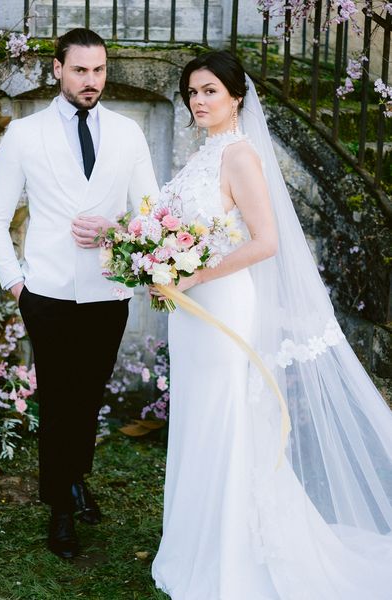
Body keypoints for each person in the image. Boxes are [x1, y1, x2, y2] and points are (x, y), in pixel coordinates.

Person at [151, 50, 392, 599]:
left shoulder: (240, 156)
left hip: (222, 306)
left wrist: (193, 275)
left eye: (210, 91)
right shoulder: (204, 154)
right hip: (190, 311)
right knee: (197, 418)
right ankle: (196, 542)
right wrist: (157, 265)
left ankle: (233, 556)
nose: (198, 101)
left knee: (227, 417)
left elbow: (266, 242)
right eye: (192, 92)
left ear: (236, 97)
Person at [0, 27, 159, 559]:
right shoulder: (25, 134)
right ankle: (59, 505)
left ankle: (76, 477)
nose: (90, 80)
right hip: (47, 294)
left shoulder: (128, 133)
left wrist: (115, 230)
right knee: (59, 401)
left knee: (89, 396)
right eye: (80, 70)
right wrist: (17, 285)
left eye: (98, 70)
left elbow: (151, 213)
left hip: (109, 292)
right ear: (57, 69)